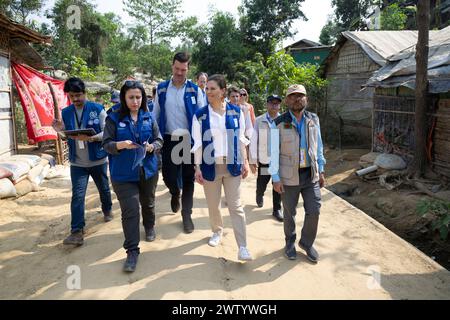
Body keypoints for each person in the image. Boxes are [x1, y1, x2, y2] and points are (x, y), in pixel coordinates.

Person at [102, 80, 163, 272]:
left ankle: (150, 225)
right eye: (131, 97)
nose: (135, 101)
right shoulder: (113, 118)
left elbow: (159, 139)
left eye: (138, 97)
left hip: (148, 170)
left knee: (148, 203)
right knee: (130, 211)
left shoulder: (148, 116)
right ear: (124, 98)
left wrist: (153, 147)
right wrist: (120, 145)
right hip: (123, 174)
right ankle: (132, 251)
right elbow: (106, 144)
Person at [191, 74, 252, 261]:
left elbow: (242, 139)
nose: (208, 92)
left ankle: (243, 246)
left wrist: (246, 161)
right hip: (210, 166)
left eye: (212, 88)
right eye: (207, 89)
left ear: (223, 91)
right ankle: (217, 231)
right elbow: (198, 143)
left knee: (236, 206)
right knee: (213, 205)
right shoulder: (200, 115)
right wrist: (197, 168)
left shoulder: (236, 112)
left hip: (232, 164)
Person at [52, 77, 113, 246]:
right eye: (72, 96)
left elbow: (108, 132)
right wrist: (60, 131)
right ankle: (77, 231)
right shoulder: (66, 112)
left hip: (97, 160)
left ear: (85, 93)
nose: (76, 99)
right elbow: (67, 136)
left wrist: (93, 138)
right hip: (77, 163)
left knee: (104, 189)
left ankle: (107, 209)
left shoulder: (98, 109)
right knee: (77, 196)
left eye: (79, 95)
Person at [271, 84, 326, 263]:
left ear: (306, 99)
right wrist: (276, 179)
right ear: (287, 100)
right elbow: (272, 153)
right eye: (293, 96)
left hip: (310, 174)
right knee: (289, 213)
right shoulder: (278, 123)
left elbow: (318, 147)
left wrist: (322, 169)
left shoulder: (313, 119)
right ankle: (290, 242)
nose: (297, 98)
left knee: (314, 210)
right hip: (288, 176)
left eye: (300, 95)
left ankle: (306, 243)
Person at [152, 52, 205, 233]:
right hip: (169, 139)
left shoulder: (195, 90)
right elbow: (155, 115)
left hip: (189, 140)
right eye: (177, 69)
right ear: (172, 66)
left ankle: (187, 216)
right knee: (168, 176)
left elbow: (201, 117)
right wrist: (155, 138)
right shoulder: (161, 89)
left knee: (188, 178)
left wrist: (201, 142)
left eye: (183, 69)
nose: (180, 73)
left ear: (188, 69)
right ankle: (175, 193)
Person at [249, 94, 283, 222]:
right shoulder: (259, 120)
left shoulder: (284, 120)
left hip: (279, 161)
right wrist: (253, 160)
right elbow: (253, 140)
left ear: (279, 105)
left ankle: (276, 209)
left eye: (276, 103)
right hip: (264, 160)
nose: (274, 105)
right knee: (262, 182)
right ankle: (259, 194)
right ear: (267, 104)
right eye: (272, 103)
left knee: (278, 184)